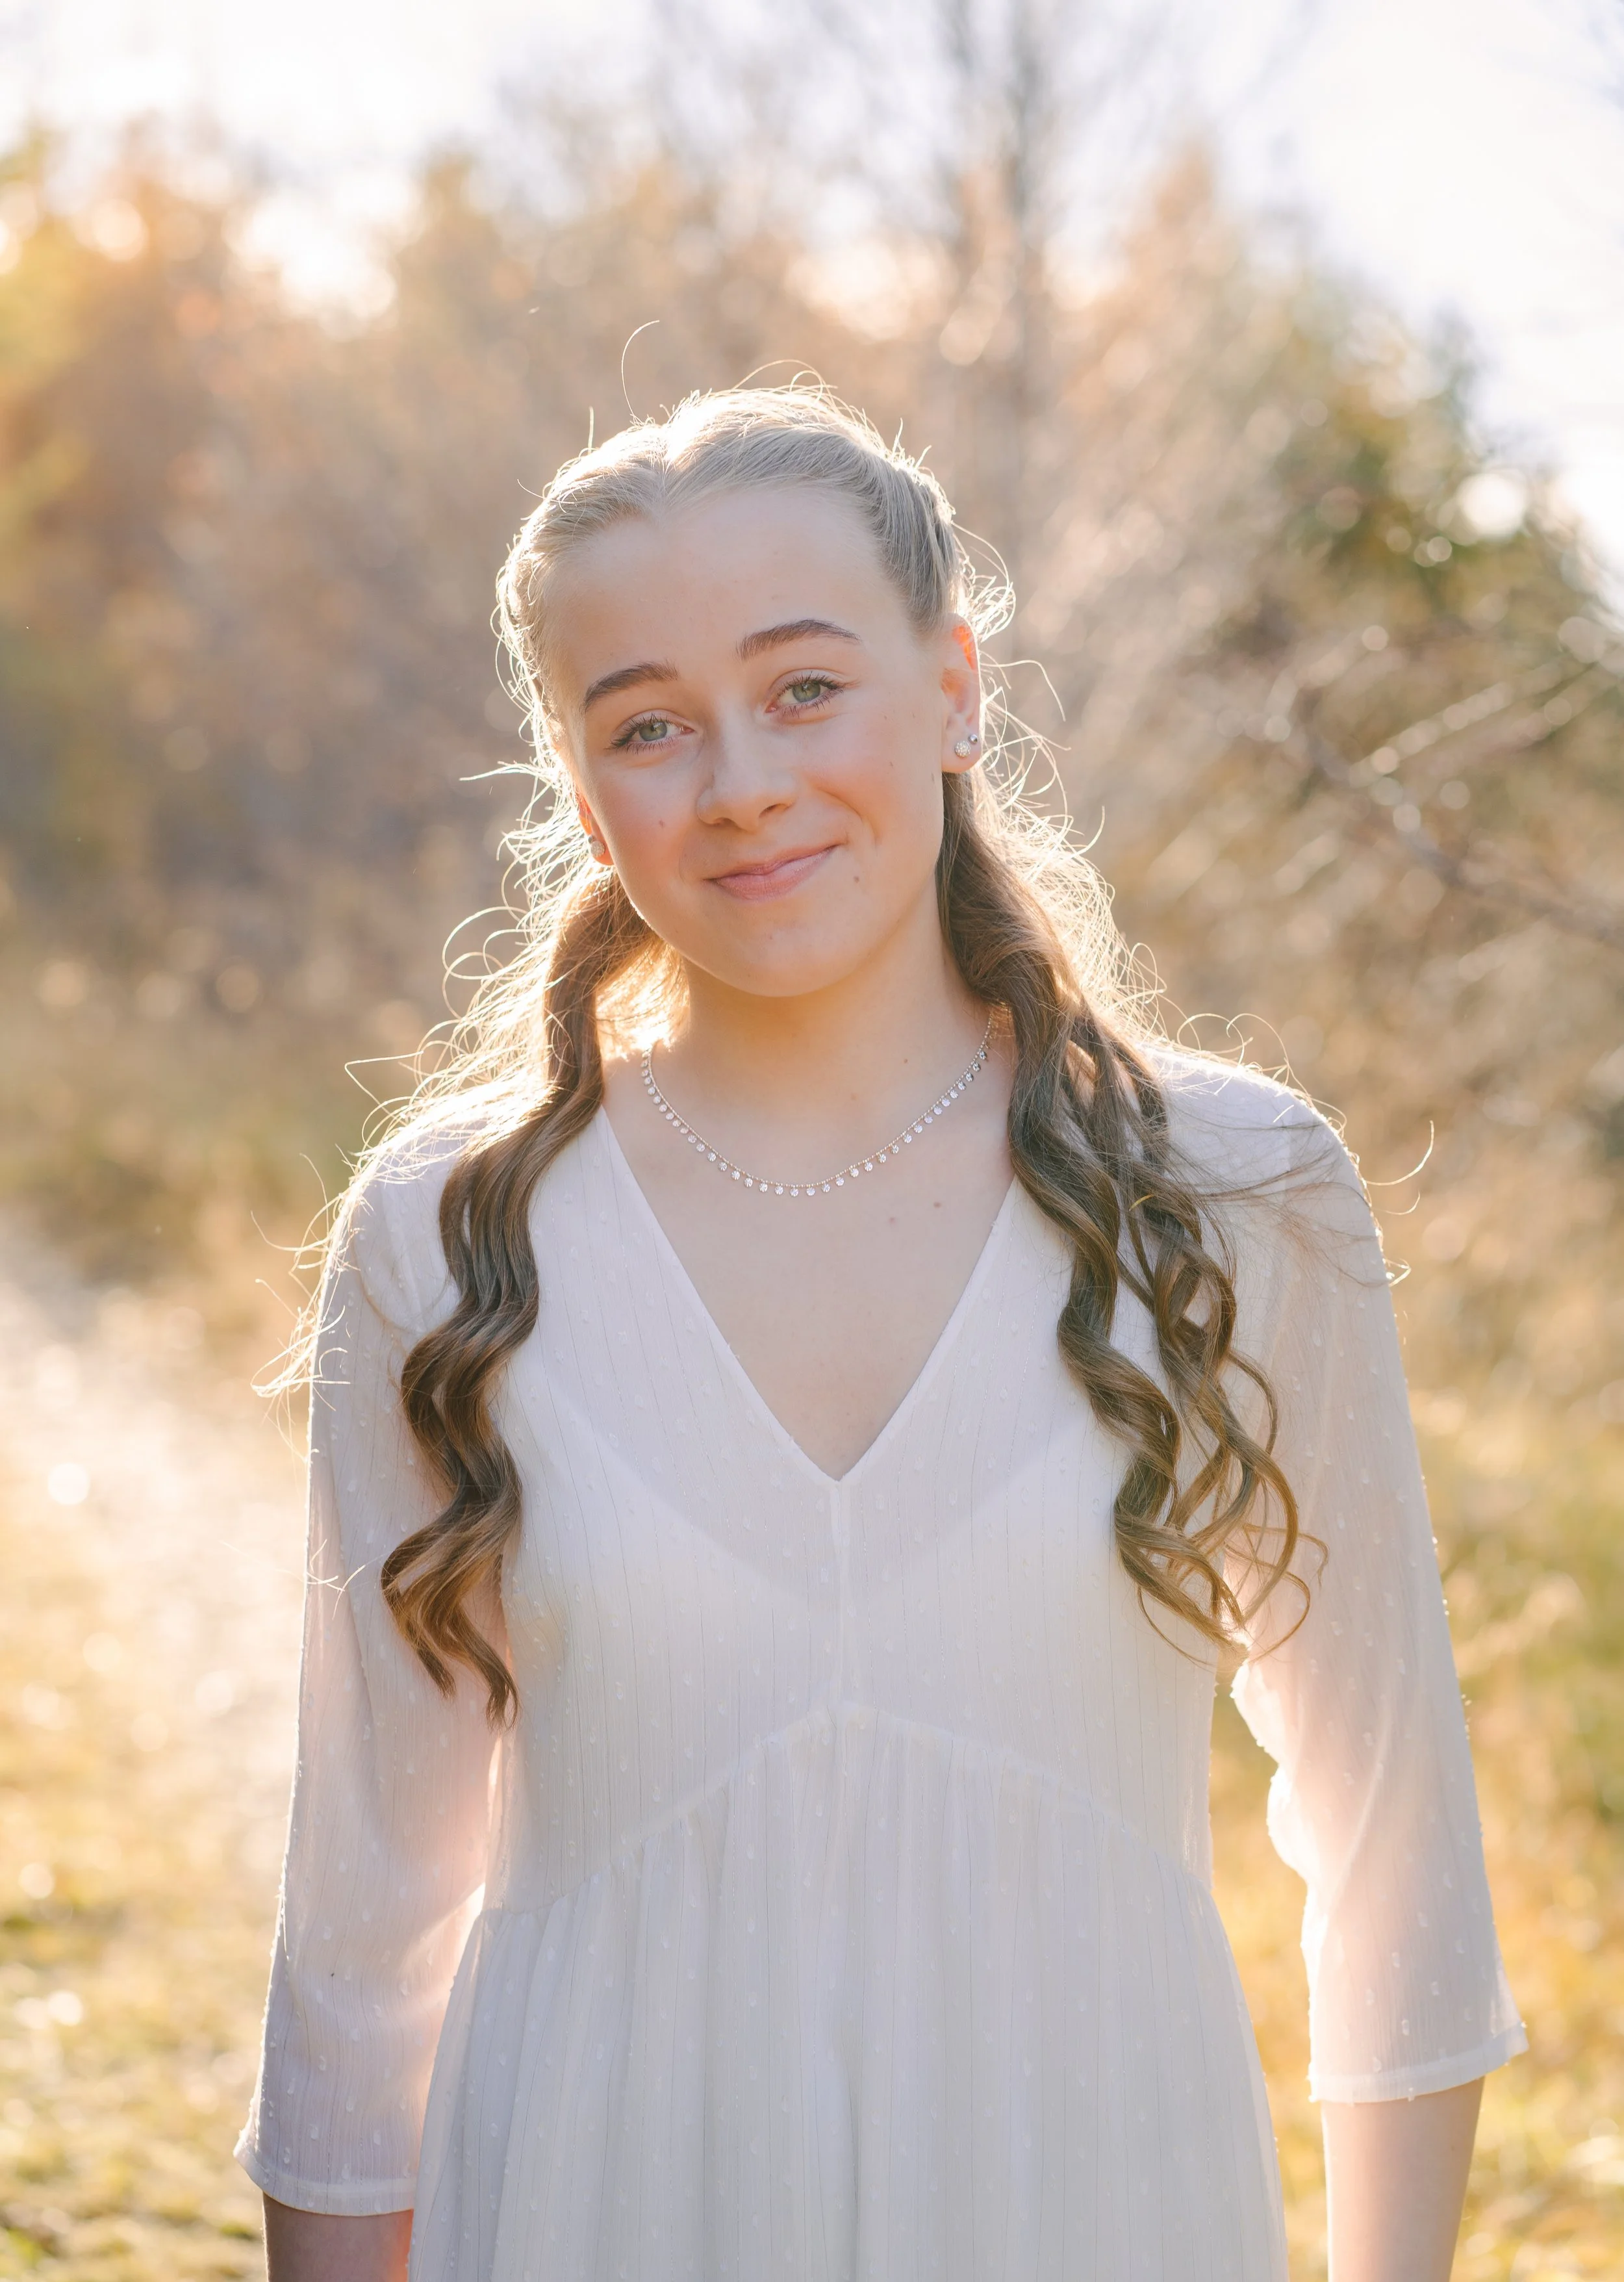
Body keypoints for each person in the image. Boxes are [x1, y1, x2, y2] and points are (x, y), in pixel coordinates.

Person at [236, 387, 1524, 2282]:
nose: (740, 777)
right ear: (584, 796)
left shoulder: (1234, 1191)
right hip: (598, 2212)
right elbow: (363, 1931)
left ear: (954, 689)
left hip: (1104, 2208)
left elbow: (1392, 1843)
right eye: (650, 725)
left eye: (806, 686)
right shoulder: (444, 1239)